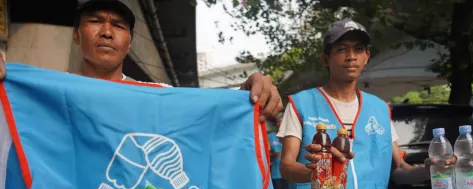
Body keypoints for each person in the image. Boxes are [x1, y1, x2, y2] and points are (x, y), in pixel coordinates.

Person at [277, 18, 465, 189]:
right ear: (325, 58)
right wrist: (314, 173)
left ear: (367, 56)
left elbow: (400, 171)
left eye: (358, 50)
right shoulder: (301, 105)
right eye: (341, 49)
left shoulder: (379, 109)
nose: (350, 57)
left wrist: (432, 169)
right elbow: (286, 167)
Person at [0, 0, 283, 122]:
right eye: (95, 22)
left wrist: (251, 93)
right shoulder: (45, 98)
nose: (107, 32)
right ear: (76, 35)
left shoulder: (158, 97)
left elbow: (214, 116)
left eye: (118, 26)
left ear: (130, 43)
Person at [268, 113, 289, 189]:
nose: (280, 124)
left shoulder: (289, 136)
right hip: (276, 173)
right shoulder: (271, 136)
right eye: (278, 122)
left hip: (289, 173)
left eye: (282, 122)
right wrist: (273, 154)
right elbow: (265, 153)